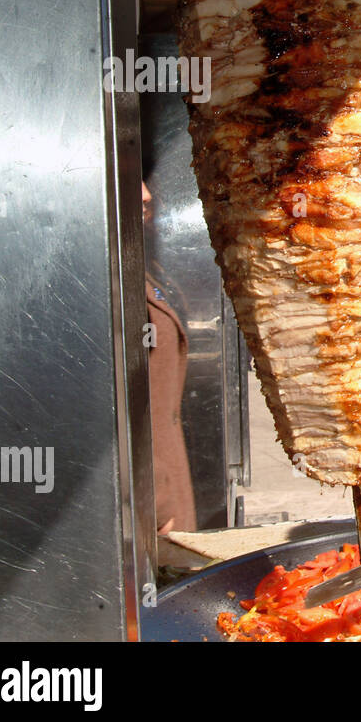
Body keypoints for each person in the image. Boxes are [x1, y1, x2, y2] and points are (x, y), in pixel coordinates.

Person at [142, 181, 198, 533]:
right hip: (150, 497)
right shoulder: (95, 282)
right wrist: (156, 502)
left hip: (165, 478)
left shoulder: (144, 269)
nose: (146, 194)